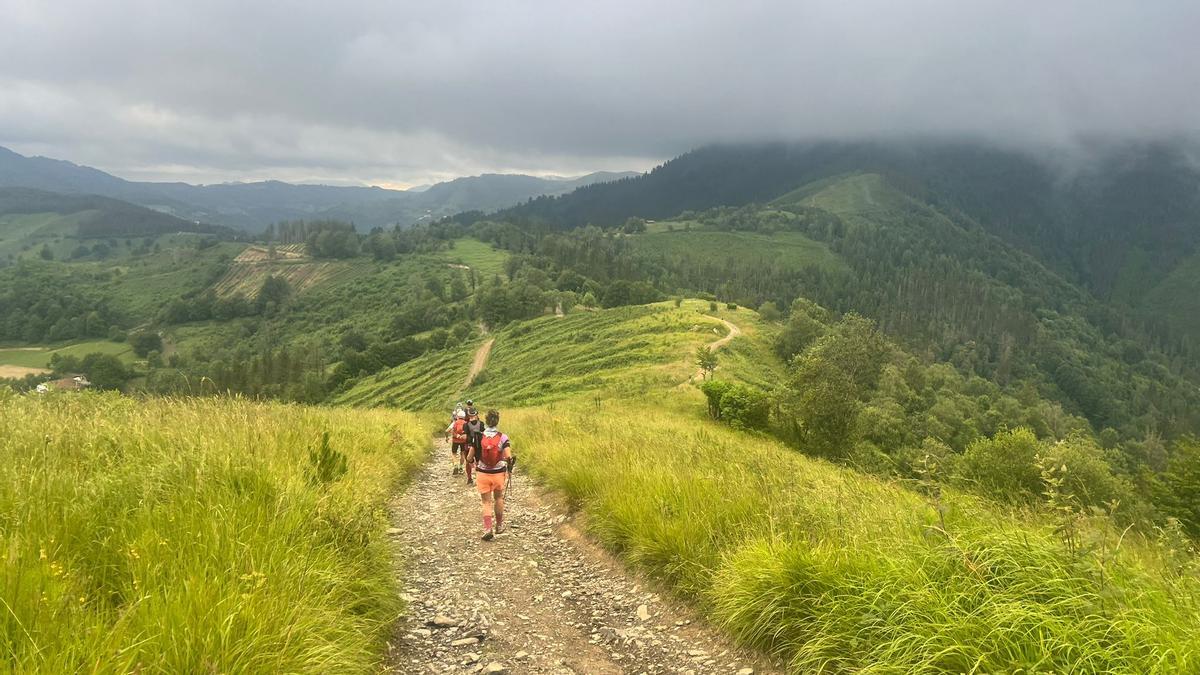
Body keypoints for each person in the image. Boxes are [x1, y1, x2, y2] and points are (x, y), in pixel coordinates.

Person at [469, 409, 515, 541]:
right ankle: (499, 526)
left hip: (483, 473)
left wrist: (471, 462)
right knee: (499, 498)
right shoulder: (503, 437)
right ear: (497, 421)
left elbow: (469, 457)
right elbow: (508, 456)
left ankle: (488, 528)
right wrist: (509, 467)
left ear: (486, 421)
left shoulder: (478, 436)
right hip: (498, 473)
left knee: (486, 501)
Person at [463, 410, 485, 486]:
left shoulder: (466, 425)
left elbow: (465, 436)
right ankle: (480, 479)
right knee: (480, 462)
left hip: (469, 445)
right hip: (479, 445)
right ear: (476, 415)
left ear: (469, 416)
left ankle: (469, 478)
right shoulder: (481, 424)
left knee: (468, 461)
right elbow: (483, 434)